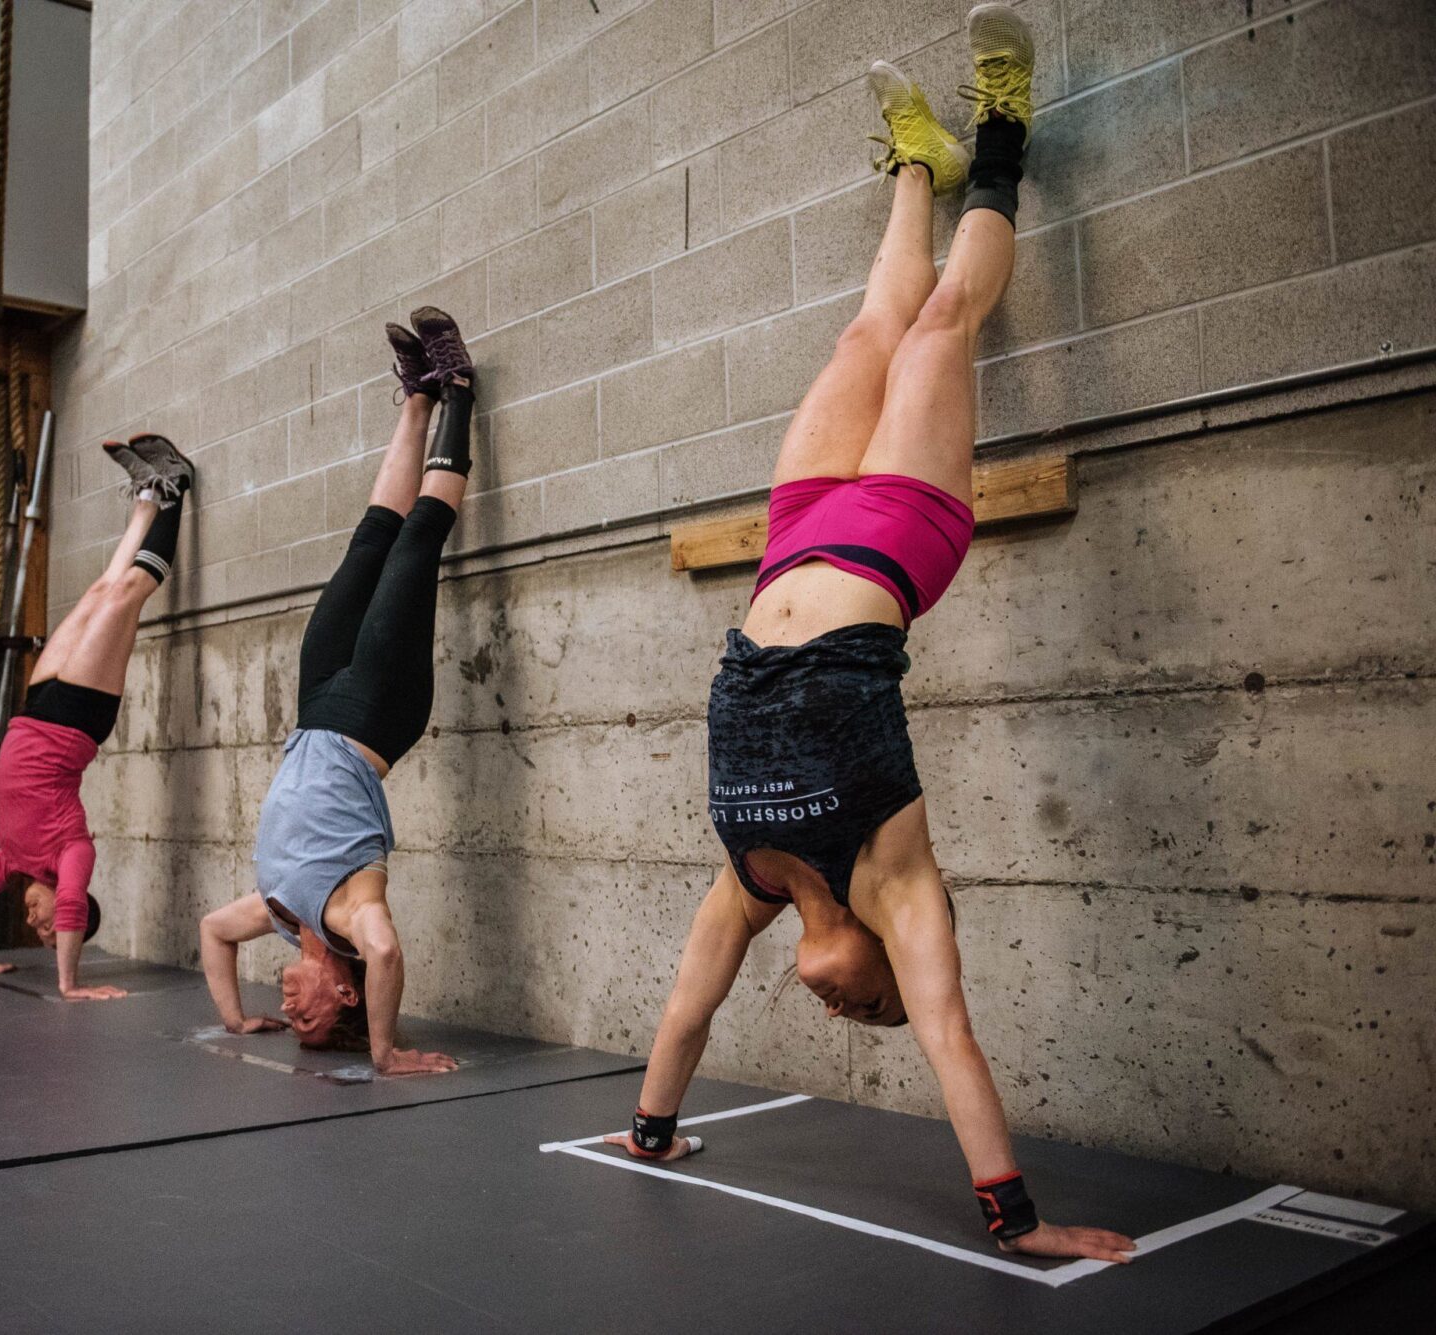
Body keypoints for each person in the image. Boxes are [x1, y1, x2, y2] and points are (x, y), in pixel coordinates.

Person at [605, 8, 1136, 1264]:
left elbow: (685, 1012)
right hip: (894, 546)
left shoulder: (743, 892)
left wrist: (649, 1130)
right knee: (943, 326)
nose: (846, 1014)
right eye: (866, 1015)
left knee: (859, 337)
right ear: (881, 973)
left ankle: (911, 165)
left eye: (851, 1019)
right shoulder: (895, 888)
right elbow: (951, 1031)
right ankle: (1002, 135)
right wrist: (1017, 1219)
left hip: (789, 548)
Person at [197, 307, 473, 1077]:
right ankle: (457, 386)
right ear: (347, 995)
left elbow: (214, 931)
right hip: (379, 714)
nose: (291, 1011)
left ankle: (416, 396)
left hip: (316, 705)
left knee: (366, 543)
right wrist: (386, 1053)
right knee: (417, 540)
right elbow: (386, 950)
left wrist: (234, 1017)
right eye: (309, 1015)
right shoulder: (352, 918)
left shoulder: (279, 914)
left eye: (291, 1021)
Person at [0, 433, 193, 1000]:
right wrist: (69, 984)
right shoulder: (73, 856)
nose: (38, 924)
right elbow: (67, 906)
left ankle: (144, 497)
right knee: (125, 596)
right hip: (78, 720)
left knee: (97, 593)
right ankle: (176, 488)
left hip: (36, 710)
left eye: (37, 930)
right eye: (48, 930)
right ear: (75, 908)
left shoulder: (13, 859)